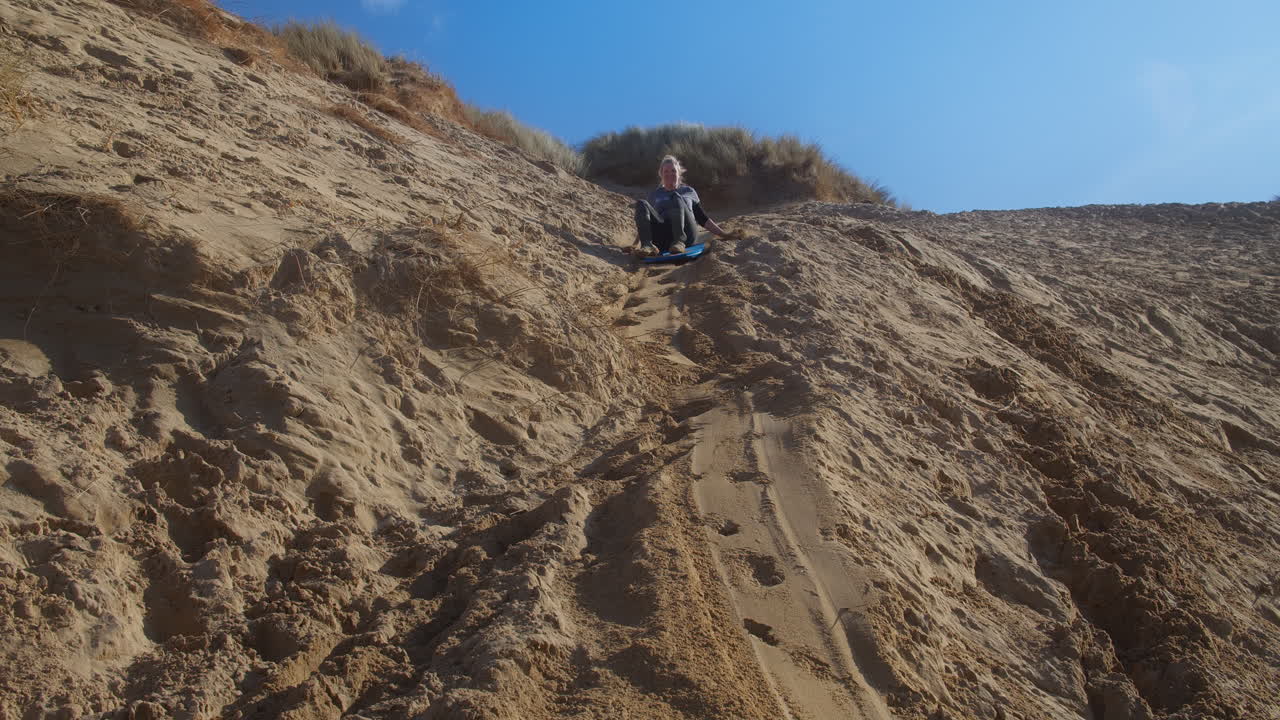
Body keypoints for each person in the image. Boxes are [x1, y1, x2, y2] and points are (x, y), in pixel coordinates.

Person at [634, 155, 732, 257]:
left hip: (687, 235)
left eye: (673, 171)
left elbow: (702, 218)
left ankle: (679, 241)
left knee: (675, 196)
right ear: (661, 174)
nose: (669, 174)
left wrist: (724, 234)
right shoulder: (655, 195)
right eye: (666, 171)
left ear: (679, 173)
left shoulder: (688, 191)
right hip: (663, 238)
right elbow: (646, 221)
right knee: (641, 203)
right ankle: (647, 246)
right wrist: (635, 244)